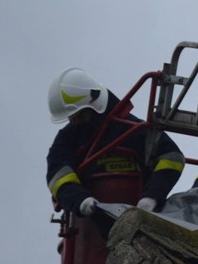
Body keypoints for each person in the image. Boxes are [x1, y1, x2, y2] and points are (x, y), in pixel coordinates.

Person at [46, 67, 185, 215]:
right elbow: (58, 174)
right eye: (71, 117)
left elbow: (172, 157)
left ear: (94, 103)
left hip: (142, 218)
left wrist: (152, 196)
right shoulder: (67, 139)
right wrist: (81, 200)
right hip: (90, 224)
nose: (74, 122)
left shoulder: (133, 129)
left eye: (79, 114)